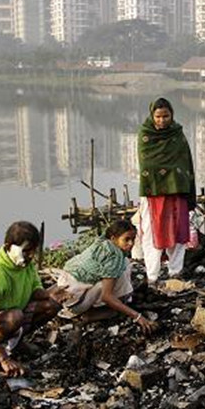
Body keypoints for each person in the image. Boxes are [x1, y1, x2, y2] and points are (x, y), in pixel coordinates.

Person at [0, 221, 60, 376]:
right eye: (26, 251)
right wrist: (4, 359)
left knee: (52, 306)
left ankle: (17, 342)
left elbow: (35, 291)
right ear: (9, 247)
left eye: (33, 251)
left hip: (13, 317)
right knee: (15, 316)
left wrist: (52, 292)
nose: (31, 256)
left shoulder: (25, 265)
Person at [51, 220, 155, 334]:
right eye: (126, 239)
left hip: (66, 297)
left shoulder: (102, 243)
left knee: (120, 268)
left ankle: (93, 309)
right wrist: (138, 316)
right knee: (122, 269)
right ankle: (90, 315)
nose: (131, 244)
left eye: (133, 239)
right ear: (113, 239)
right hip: (74, 303)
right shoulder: (114, 257)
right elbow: (107, 297)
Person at [136, 98, 196, 283]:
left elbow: (185, 163)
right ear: (152, 115)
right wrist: (169, 171)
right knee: (152, 233)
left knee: (178, 231)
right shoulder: (145, 135)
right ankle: (152, 276)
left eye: (166, 116)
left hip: (177, 192)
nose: (162, 120)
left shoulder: (177, 134)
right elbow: (147, 164)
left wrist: (174, 176)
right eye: (158, 116)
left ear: (172, 115)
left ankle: (175, 272)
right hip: (154, 193)